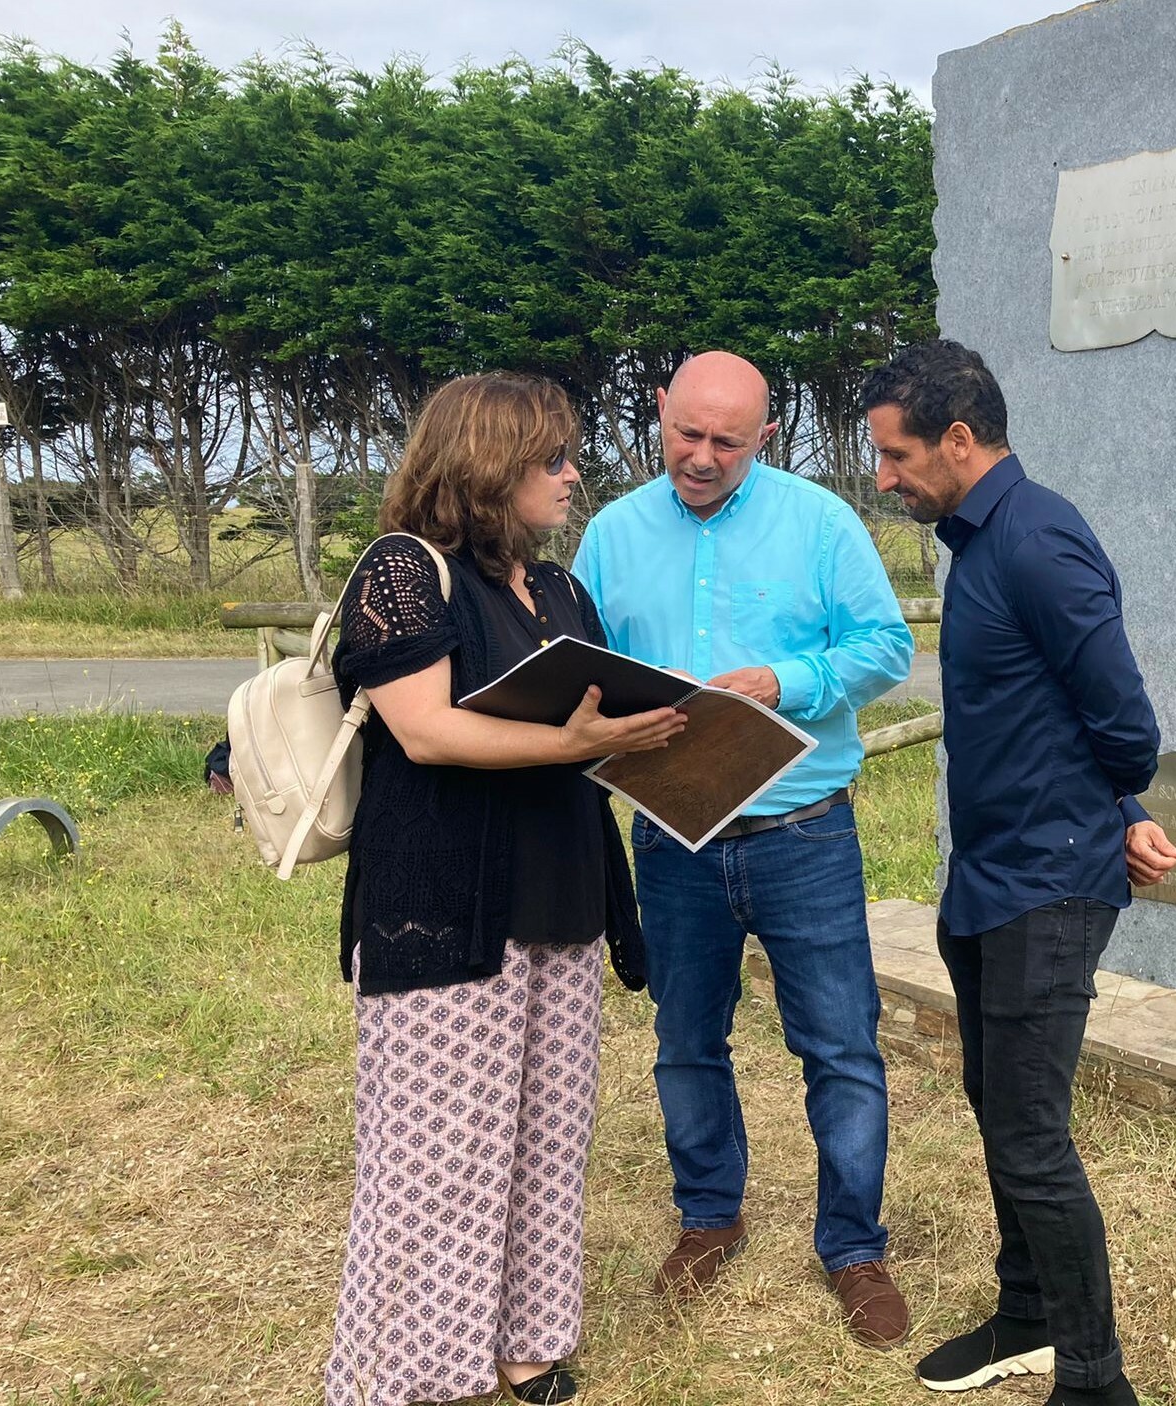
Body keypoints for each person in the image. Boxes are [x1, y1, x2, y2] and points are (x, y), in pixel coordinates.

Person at [322, 372, 686, 1406]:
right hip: (446, 905)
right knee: (436, 1158)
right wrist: (569, 741)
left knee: (543, 1139)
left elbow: (589, 726)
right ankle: (413, 1374)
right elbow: (425, 730)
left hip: (560, 895)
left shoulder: (560, 590)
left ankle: (527, 1342)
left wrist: (667, 741)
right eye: (551, 459)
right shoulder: (404, 569)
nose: (573, 475)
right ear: (487, 465)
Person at [859, 339, 1176, 1406]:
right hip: (988, 879)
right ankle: (1029, 1313)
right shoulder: (979, 543)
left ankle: (1094, 1380)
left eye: (897, 455)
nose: (885, 477)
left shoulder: (1038, 540)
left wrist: (1107, 808)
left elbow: (1124, 725)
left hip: (1047, 884)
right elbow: (1053, 712)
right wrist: (1119, 811)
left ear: (958, 439)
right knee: (999, 1108)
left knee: (1032, 1136)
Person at [572, 350, 916, 1347]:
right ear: (657, 411)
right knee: (685, 1039)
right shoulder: (610, 533)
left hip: (802, 832)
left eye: (727, 441)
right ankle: (708, 1217)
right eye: (686, 432)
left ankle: (853, 1247)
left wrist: (781, 680)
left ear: (766, 437)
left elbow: (885, 647)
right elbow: (578, 662)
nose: (701, 456)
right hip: (670, 834)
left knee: (839, 1045)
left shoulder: (820, 522)